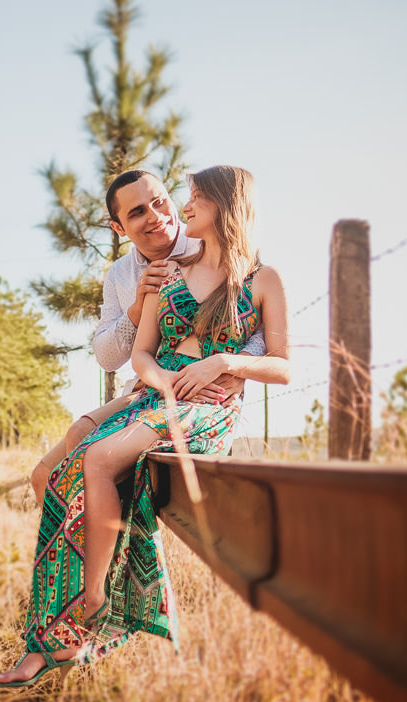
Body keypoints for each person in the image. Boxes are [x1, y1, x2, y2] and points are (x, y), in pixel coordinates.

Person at [0, 166, 290, 686]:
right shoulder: (157, 275)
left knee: (96, 458)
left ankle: (94, 598)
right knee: (57, 477)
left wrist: (226, 366)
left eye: (178, 199)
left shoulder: (262, 278)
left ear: (225, 205)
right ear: (119, 227)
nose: (169, 211)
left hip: (202, 405)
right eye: (139, 211)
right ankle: (48, 640)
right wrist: (161, 367)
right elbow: (130, 356)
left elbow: (279, 361)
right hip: (154, 396)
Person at [29, 169, 266, 505]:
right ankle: (89, 551)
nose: (156, 217)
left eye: (159, 202)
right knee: (43, 477)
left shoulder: (210, 243)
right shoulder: (120, 275)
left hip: (196, 396)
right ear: (118, 228)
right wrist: (138, 309)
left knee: (88, 453)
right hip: (144, 389)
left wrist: (234, 369)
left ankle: (112, 546)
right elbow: (107, 357)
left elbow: (257, 323)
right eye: (138, 212)